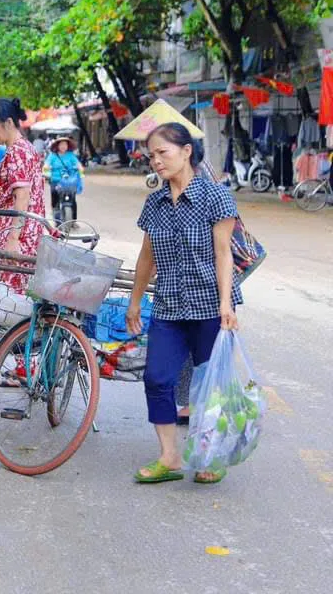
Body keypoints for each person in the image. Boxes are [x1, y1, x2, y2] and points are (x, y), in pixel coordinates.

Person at [126, 122, 241, 485]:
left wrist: (226, 303)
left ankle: (210, 455)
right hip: (169, 305)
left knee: (210, 384)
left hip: (209, 304)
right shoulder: (155, 202)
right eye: (151, 156)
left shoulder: (215, 196)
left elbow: (224, 254)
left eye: (163, 153)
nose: (156, 162)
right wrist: (134, 301)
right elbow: (147, 256)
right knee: (157, 377)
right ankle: (170, 457)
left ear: (186, 151)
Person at [0, 97, 46, 294]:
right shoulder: (22, 149)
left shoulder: (17, 153)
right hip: (27, 233)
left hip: (21, 238)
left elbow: (23, 197)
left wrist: (13, 238)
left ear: (8, 123)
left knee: (14, 299)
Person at [43, 137, 85, 221]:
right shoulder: (52, 156)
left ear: (67, 146)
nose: (63, 146)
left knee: (72, 200)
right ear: (57, 146)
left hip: (69, 181)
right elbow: (46, 166)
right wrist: (46, 173)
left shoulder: (71, 155)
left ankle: (73, 220)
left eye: (65, 144)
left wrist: (81, 173)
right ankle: (56, 218)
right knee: (55, 199)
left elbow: (79, 165)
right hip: (55, 180)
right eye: (61, 144)